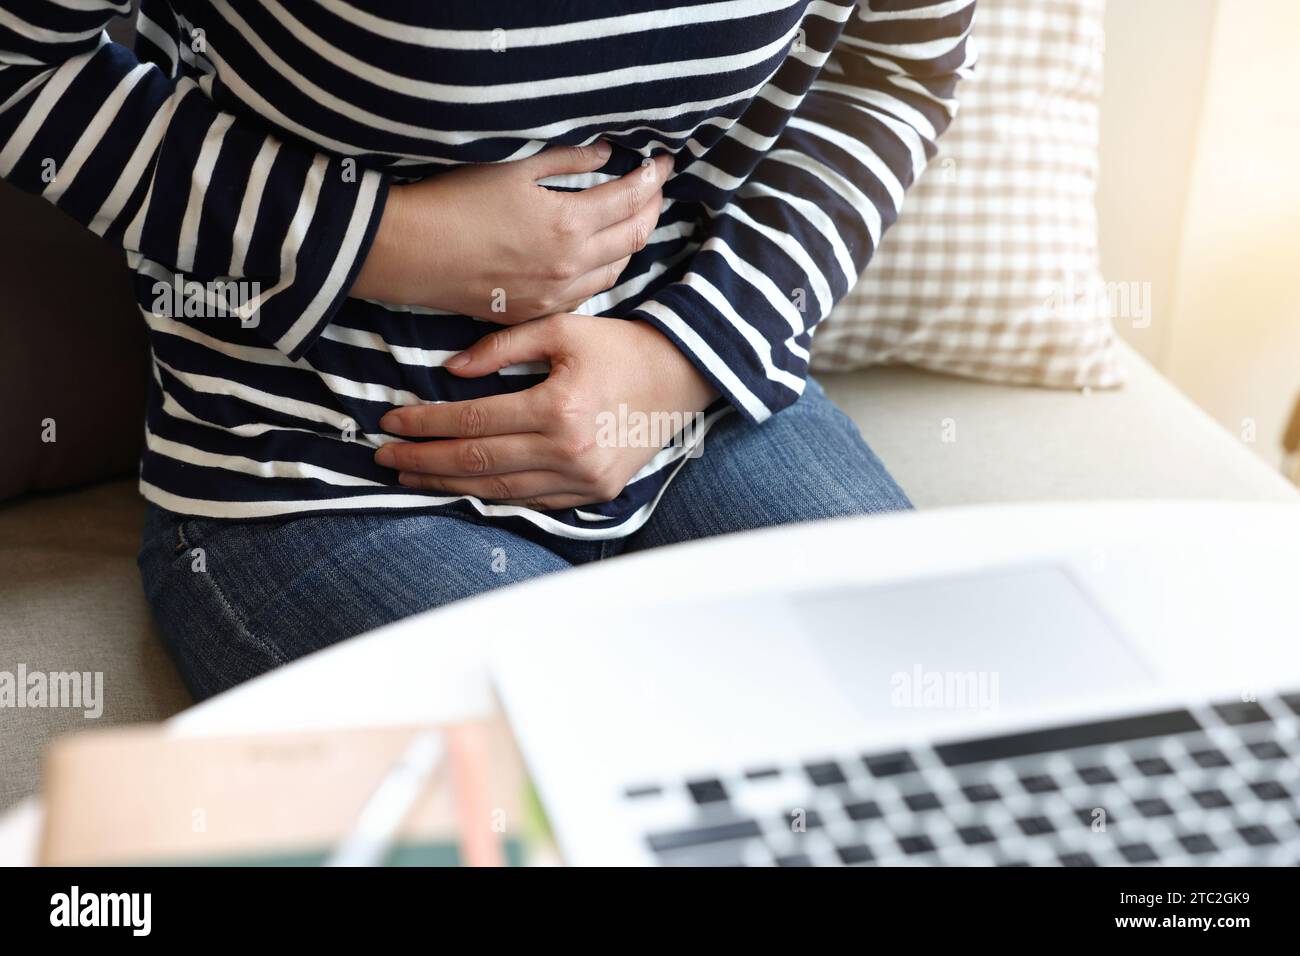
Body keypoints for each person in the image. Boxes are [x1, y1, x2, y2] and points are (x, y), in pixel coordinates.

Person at [0, 1, 975, 699]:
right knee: (594, 792)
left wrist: (680, 360)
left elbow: (896, 63)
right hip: (321, 461)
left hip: (697, 399)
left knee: (956, 714)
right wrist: (378, 238)